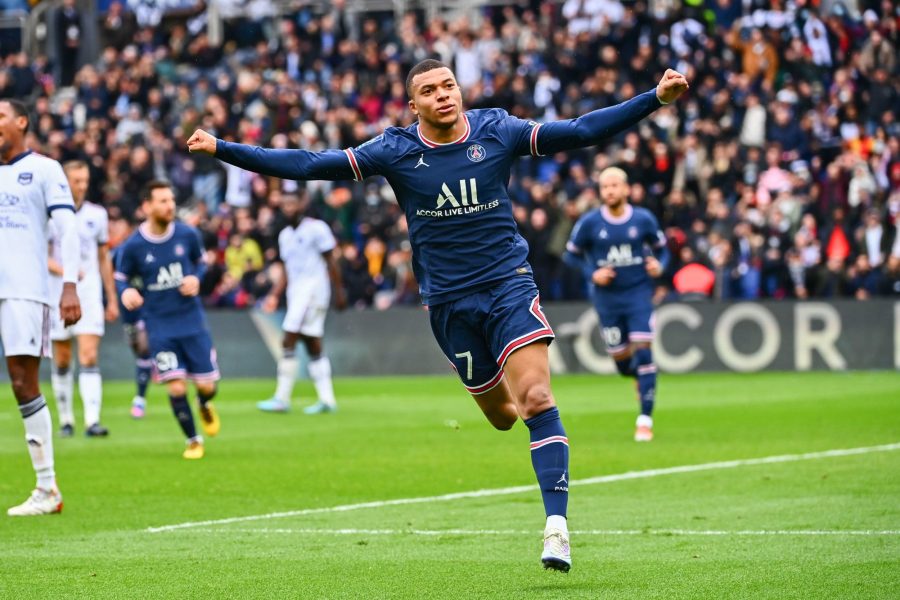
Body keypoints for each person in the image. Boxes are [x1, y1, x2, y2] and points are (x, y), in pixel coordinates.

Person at [188, 60, 689, 571]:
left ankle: (556, 528)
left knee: (537, 397)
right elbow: (310, 164)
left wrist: (655, 98)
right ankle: (535, 429)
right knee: (502, 416)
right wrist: (223, 148)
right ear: (414, 106)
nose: (443, 96)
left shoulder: (498, 129)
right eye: (429, 91)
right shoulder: (397, 150)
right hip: (449, 304)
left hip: (507, 285)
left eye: (449, 85)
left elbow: (581, 130)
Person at [0, 99, 82, 516]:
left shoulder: (46, 170)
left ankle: (48, 488)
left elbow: (69, 230)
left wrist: (69, 284)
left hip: (23, 290)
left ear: (21, 122)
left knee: (22, 381)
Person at [114, 180, 221, 459]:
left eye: (171, 200)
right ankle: (193, 440)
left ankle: (204, 403)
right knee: (175, 385)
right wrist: (126, 294)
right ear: (146, 207)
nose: (170, 205)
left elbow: (201, 262)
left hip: (192, 321)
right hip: (159, 325)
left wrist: (195, 280)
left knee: (208, 386)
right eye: (162, 201)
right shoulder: (133, 246)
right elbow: (121, 279)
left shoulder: (187, 235)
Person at [564, 167, 670, 442]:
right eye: (604, 187)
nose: (609, 191)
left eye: (614, 186)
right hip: (607, 300)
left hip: (638, 296)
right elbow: (570, 256)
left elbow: (663, 249)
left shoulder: (643, 219)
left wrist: (660, 265)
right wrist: (592, 274)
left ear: (626, 189)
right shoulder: (590, 223)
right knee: (623, 364)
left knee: (644, 354)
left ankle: (644, 419)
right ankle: (637, 376)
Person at [257, 193, 348, 414]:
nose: (288, 208)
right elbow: (288, 270)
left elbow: (331, 260)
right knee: (312, 343)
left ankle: (281, 398)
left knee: (288, 340)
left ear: (302, 204)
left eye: (292, 203)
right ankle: (327, 400)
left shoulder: (317, 228)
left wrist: (340, 291)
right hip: (296, 293)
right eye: (284, 204)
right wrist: (274, 294)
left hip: (314, 291)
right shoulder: (285, 235)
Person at [47, 161, 119, 438]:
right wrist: (65, 270)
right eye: (76, 180)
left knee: (89, 354)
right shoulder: (50, 215)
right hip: (56, 290)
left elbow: (103, 258)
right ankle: (66, 419)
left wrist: (110, 297)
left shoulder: (97, 215)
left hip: (88, 292)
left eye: (85, 180)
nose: (82, 185)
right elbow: (41, 254)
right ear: (64, 182)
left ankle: (92, 420)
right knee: (63, 357)